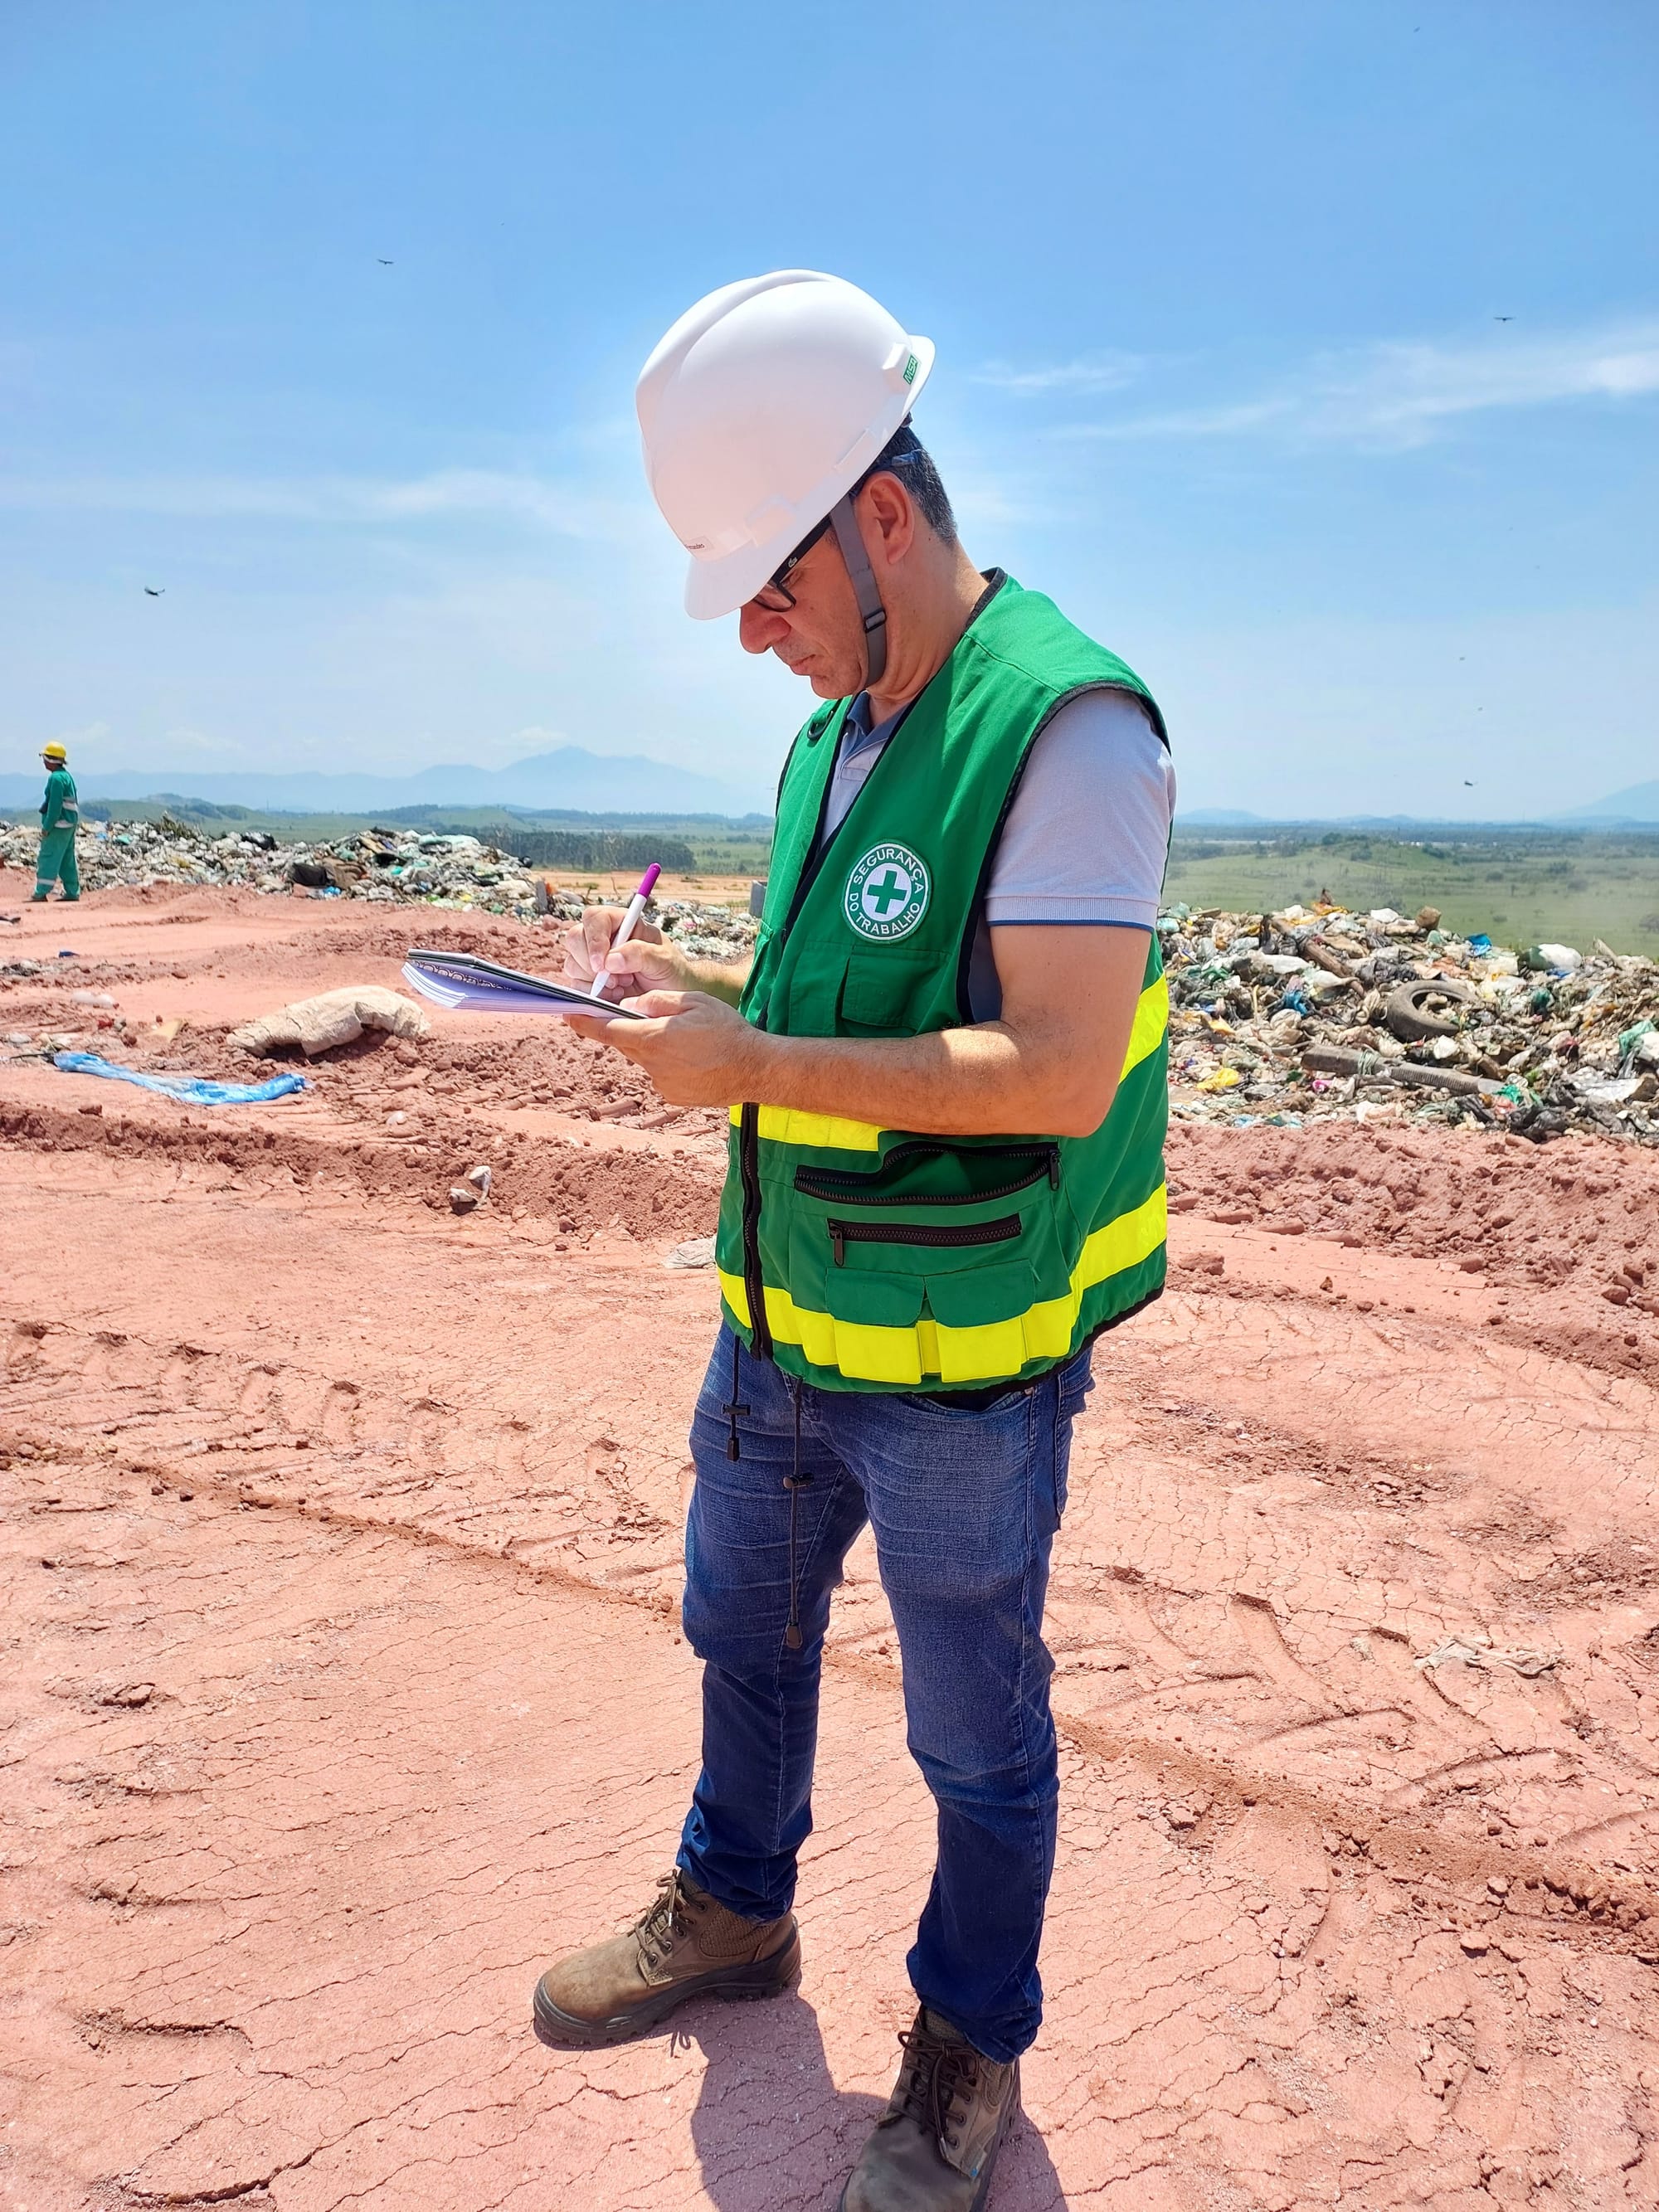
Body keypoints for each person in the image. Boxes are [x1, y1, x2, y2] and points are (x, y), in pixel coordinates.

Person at [533, 272, 1175, 2212]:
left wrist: (753, 1057)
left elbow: (1056, 1069)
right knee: (740, 1625)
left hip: (961, 1359)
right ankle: (735, 1912)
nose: (747, 628)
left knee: (972, 1730)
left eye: (769, 581)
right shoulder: (833, 730)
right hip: (781, 1318)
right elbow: (847, 1006)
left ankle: (966, 2040)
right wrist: (698, 1001)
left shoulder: (1066, 727)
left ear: (877, 514)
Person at [32, 742, 80, 903]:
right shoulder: (67, 776)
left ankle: (41, 892)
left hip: (58, 825)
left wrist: (47, 827)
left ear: (51, 760)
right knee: (67, 858)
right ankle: (72, 891)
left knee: (48, 856)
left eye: (45, 758)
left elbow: (54, 806)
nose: (44, 762)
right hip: (70, 823)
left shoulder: (55, 778)